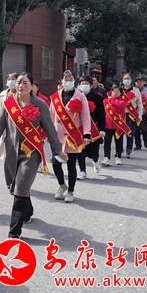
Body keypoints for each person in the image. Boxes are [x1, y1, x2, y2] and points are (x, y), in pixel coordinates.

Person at [0, 72, 65, 238]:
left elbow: (50, 128)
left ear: (32, 86)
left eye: (25, 82)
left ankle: (14, 232)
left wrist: (58, 149)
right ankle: (28, 211)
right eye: (18, 82)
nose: (20, 85)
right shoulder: (8, 103)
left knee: (21, 186)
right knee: (14, 186)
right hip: (11, 151)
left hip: (31, 152)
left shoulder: (40, 104)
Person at [49, 70, 91, 203]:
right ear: (62, 81)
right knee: (55, 163)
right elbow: (51, 116)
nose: (68, 81)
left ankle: (71, 191)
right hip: (57, 136)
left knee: (71, 165)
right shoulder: (55, 97)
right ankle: (62, 185)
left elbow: (85, 116)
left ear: (74, 80)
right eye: (65, 79)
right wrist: (48, 133)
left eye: (70, 79)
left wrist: (87, 133)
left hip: (73, 136)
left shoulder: (80, 96)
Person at [76, 75, 106, 178]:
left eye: (86, 84)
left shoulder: (97, 97)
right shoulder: (76, 97)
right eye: (82, 84)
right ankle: (82, 171)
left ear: (90, 85)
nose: (84, 85)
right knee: (80, 150)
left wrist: (102, 129)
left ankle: (95, 161)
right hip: (79, 128)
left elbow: (101, 115)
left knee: (93, 151)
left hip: (93, 128)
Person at [101, 85, 130, 166]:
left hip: (119, 125)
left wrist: (112, 99)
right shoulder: (106, 101)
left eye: (117, 91)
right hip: (108, 125)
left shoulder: (123, 100)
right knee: (107, 142)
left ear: (121, 93)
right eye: (113, 91)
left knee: (118, 142)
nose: (115, 93)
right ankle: (107, 158)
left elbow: (121, 105)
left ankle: (118, 157)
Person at [0, 72, 18, 161]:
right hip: (4, 125)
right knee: (5, 152)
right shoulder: (3, 94)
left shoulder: (21, 94)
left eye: (13, 79)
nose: (10, 81)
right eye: (9, 79)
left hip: (17, 125)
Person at [121, 73, 143, 159]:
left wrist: (139, 115)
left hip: (131, 114)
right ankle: (119, 150)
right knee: (119, 133)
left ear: (131, 80)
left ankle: (129, 151)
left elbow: (140, 104)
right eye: (125, 78)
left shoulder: (136, 91)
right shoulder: (119, 90)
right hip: (120, 115)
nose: (126, 80)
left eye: (128, 79)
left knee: (130, 133)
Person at [134, 77, 147, 151]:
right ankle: (138, 145)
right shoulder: (133, 91)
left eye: (140, 81)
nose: (139, 83)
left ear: (144, 82)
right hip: (134, 114)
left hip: (144, 114)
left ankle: (145, 140)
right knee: (136, 130)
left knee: (144, 129)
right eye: (137, 82)